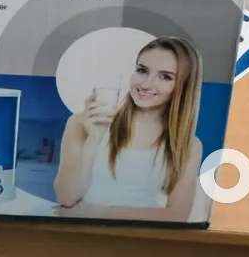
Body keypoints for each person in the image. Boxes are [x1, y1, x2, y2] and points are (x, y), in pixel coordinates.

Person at [54, 37, 203, 220]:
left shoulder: (189, 145)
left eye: (165, 77)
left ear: (183, 86)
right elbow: (66, 198)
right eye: (142, 70)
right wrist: (94, 138)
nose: (146, 84)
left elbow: (177, 216)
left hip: (140, 236)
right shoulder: (80, 123)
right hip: (79, 234)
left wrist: (97, 213)